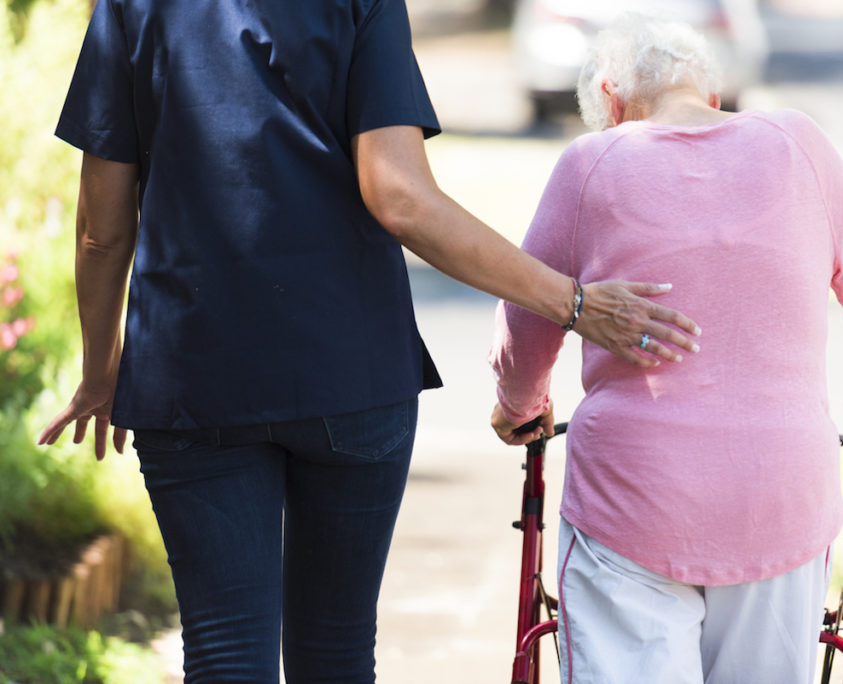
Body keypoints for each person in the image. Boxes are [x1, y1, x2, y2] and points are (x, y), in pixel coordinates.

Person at [35, 2, 703, 682]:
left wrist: (99, 369)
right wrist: (575, 304)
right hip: (349, 373)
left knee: (225, 654)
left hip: (191, 373)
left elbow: (101, 227)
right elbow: (401, 198)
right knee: (337, 652)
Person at [489, 15, 843, 684]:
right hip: (780, 495)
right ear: (710, 96)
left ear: (612, 98)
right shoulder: (799, 143)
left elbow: (525, 316)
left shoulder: (593, 161)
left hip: (632, 499)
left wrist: (519, 405)